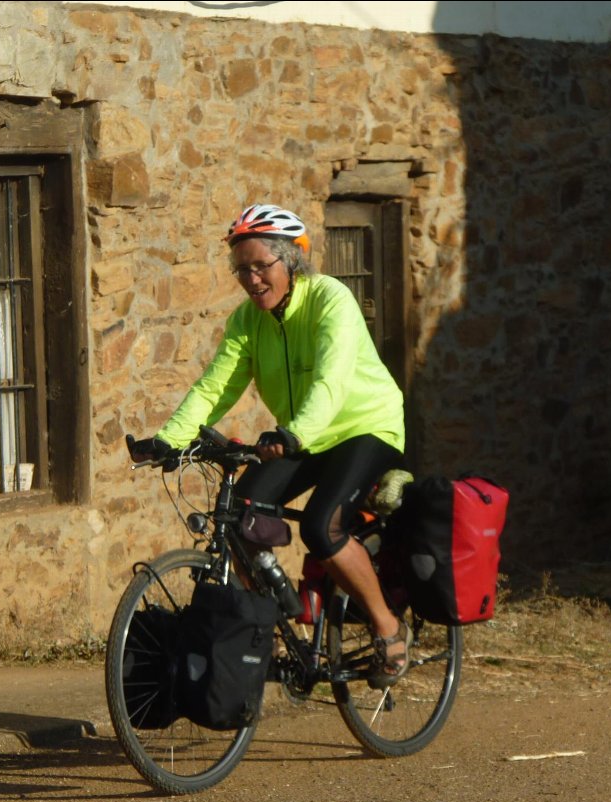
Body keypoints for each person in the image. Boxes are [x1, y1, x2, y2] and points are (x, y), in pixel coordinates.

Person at [129, 203, 410, 689]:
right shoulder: (247, 321)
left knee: (323, 529)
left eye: (262, 266)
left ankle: (388, 627)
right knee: (238, 513)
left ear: (291, 261)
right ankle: (275, 620)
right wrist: (169, 440)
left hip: (364, 426)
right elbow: (216, 386)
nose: (252, 278)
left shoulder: (330, 300)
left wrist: (293, 434)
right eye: (242, 269)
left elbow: (332, 380)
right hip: (303, 435)